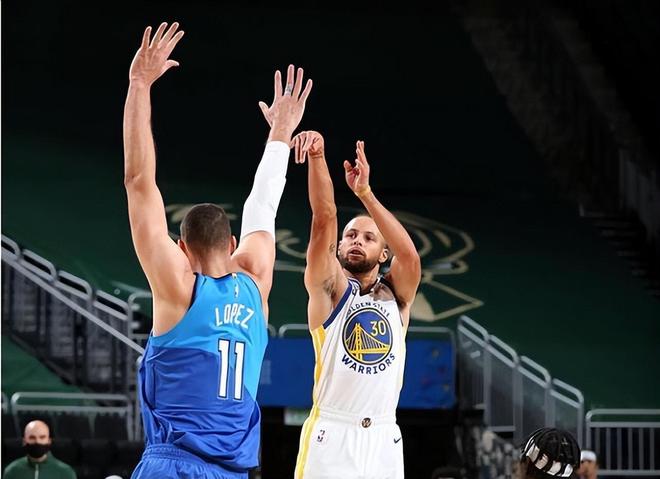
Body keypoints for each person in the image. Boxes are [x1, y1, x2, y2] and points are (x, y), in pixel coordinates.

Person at [123, 22, 312, 478]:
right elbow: (263, 204)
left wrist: (139, 85)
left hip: (174, 464)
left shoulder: (178, 288)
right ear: (231, 245)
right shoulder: (255, 286)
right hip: (231, 470)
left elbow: (139, 181)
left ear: (181, 247)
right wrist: (281, 133)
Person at [288, 131, 421, 479]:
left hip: (384, 435)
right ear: (339, 247)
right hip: (333, 431)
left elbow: (409, 256)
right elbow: (324, 218)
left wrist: (366, 194)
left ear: (383, 253)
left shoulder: (397, 295)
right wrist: (317, 157)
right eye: (350, 236)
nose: (357, 241)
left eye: (368, 237)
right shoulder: (330, 289)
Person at [2, 420, 76, 479]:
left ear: (49, 441)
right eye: (32, 438)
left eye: (42, 437)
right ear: (24, 441)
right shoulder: (12, 471)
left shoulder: (65, 472)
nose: (37, 441)